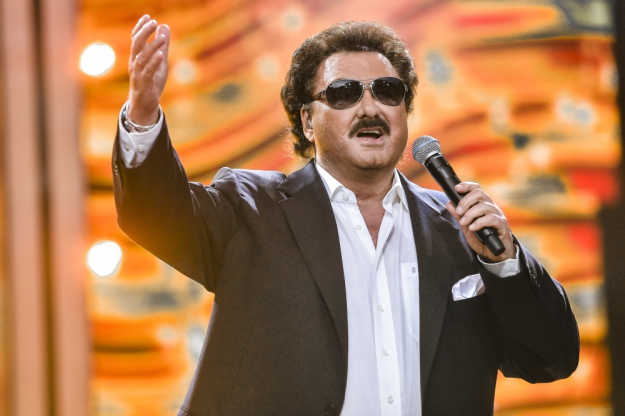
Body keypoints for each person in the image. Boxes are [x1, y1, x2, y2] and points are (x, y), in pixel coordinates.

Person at [113, 15, 580, 416]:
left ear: (405, 111)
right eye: (343, 93)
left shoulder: (460, 228)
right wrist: (143, 116)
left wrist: (503, 263)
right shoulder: (251, 209)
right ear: (307, 121)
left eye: (388, 91)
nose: (370, 107)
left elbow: (551, 358)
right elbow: (154, 214)